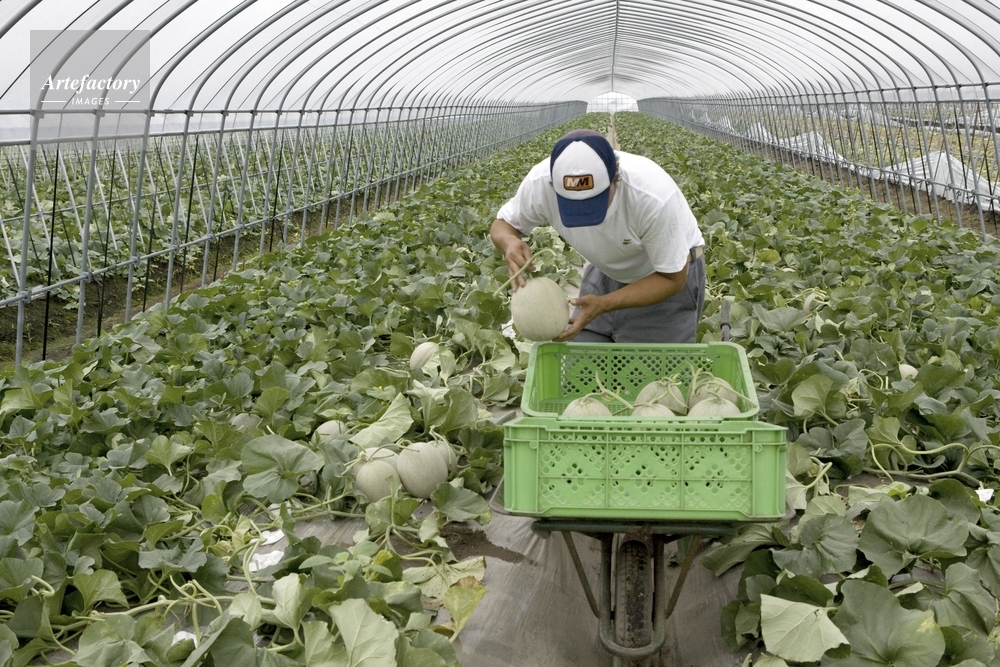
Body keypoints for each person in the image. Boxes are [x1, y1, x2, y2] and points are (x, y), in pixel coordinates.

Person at [490, 128, 706, 343]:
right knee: (582, 358)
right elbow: (503, 224)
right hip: (606, 270)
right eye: (572, 204)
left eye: (593, 201)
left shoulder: (652, 197)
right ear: (552, 184)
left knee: (648, 364)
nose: (583, 213)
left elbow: (673, 279)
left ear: (616, 173)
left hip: (662, 275)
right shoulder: (540, 181)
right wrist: (509, 242)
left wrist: (604, 303)